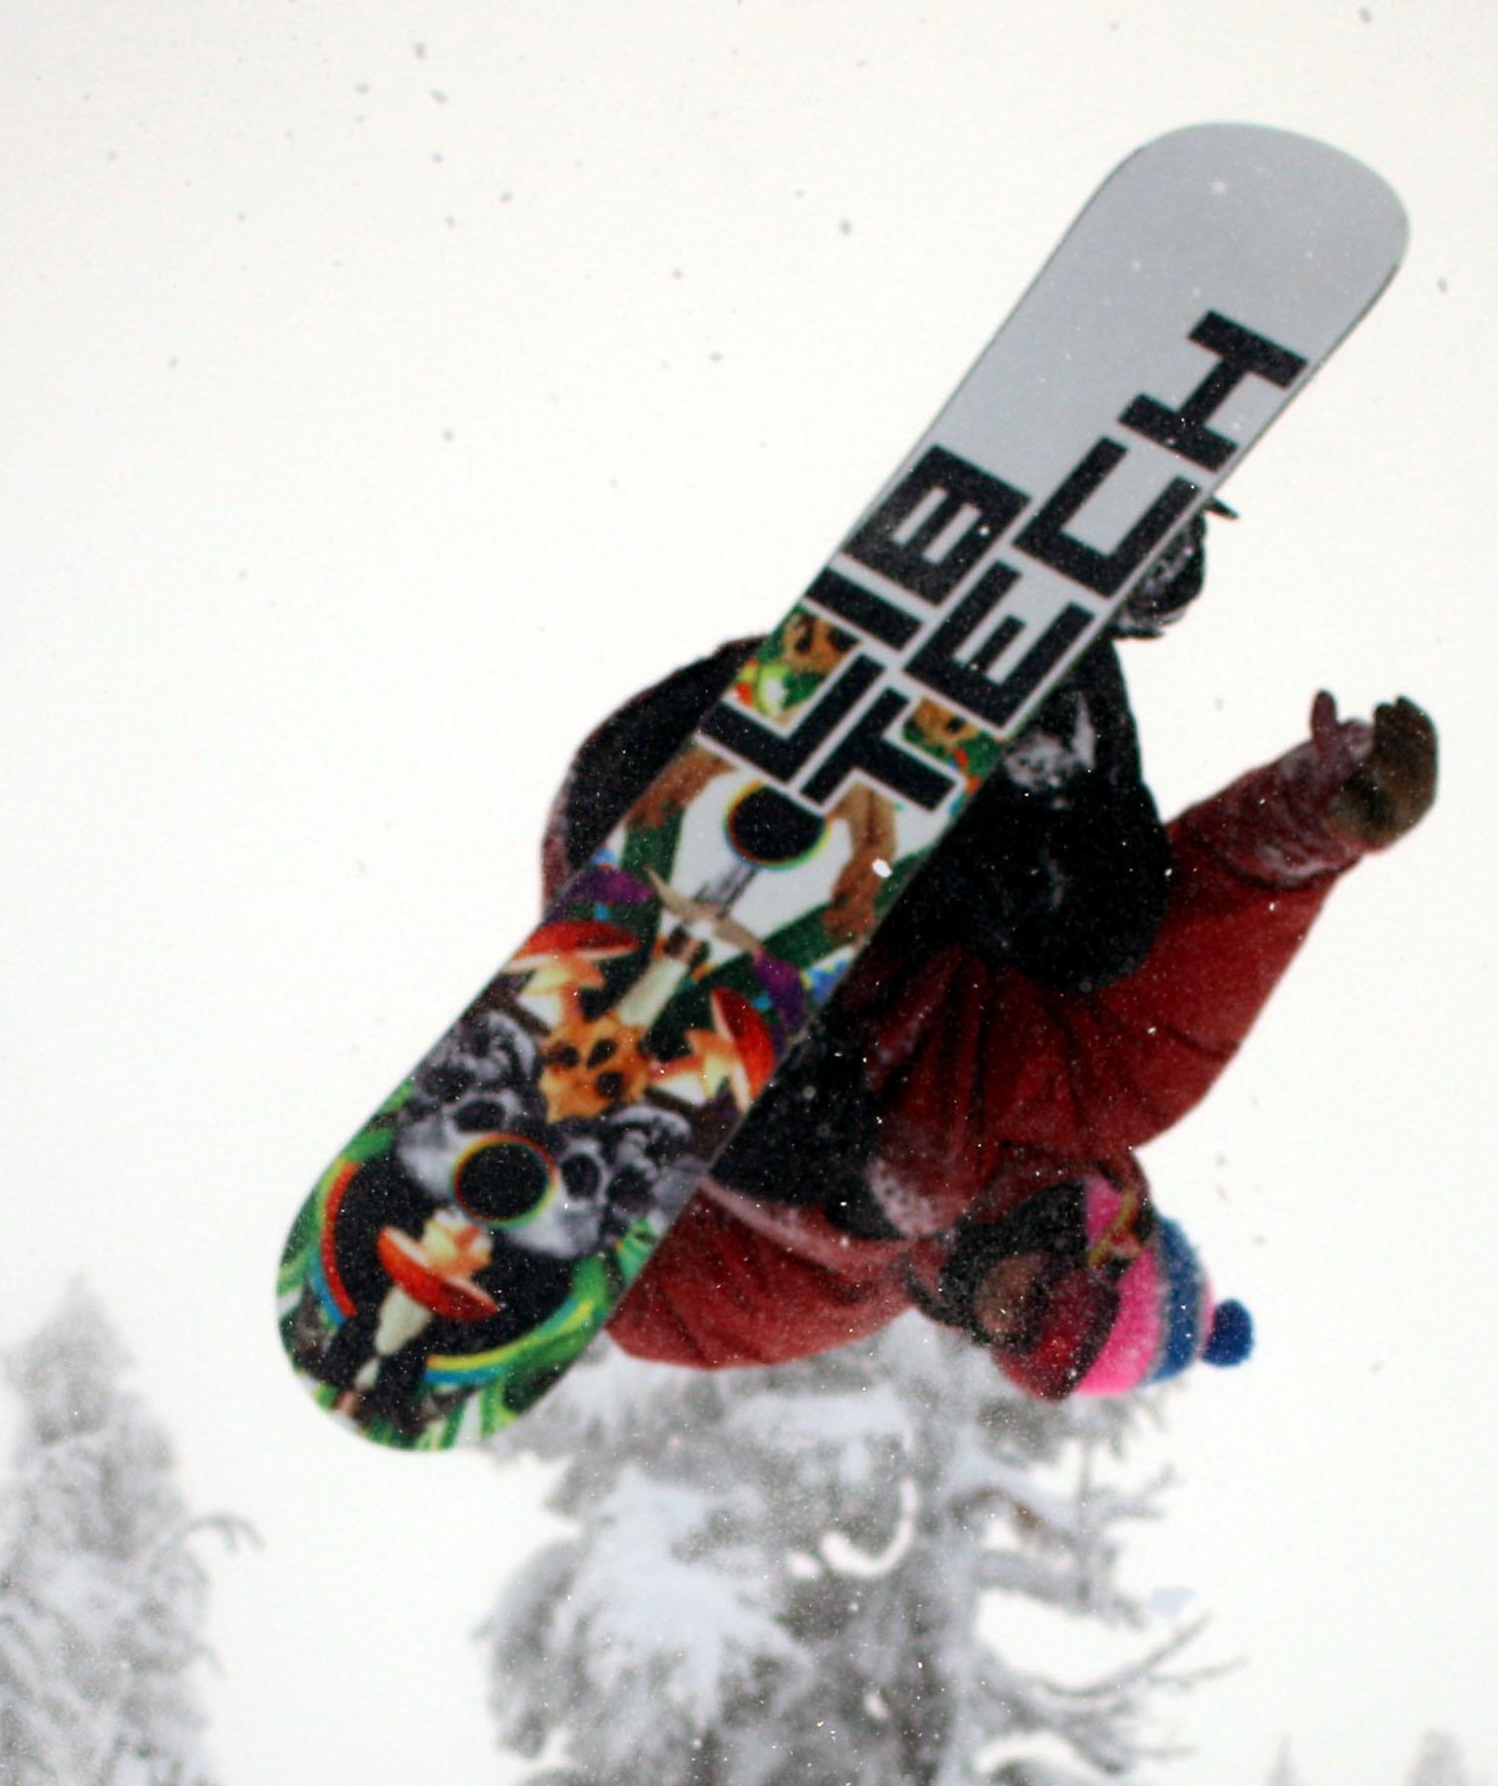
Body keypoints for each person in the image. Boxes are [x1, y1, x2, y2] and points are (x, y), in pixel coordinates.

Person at [537, 525, 1438, 1401]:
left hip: (627, 850)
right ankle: (1057, 622)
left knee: (814, 1161)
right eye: (1058, 1304)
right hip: (824, 769)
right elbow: (1232, 889)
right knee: (1102, 927)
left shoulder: (829, 1289)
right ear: (1108, 1236)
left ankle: (701, 1004)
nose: (1013, 1311)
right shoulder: (1104, 1084)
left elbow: (637, 1312)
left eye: (1023, 1343)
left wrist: (521, 1258)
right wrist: (1329, 815)